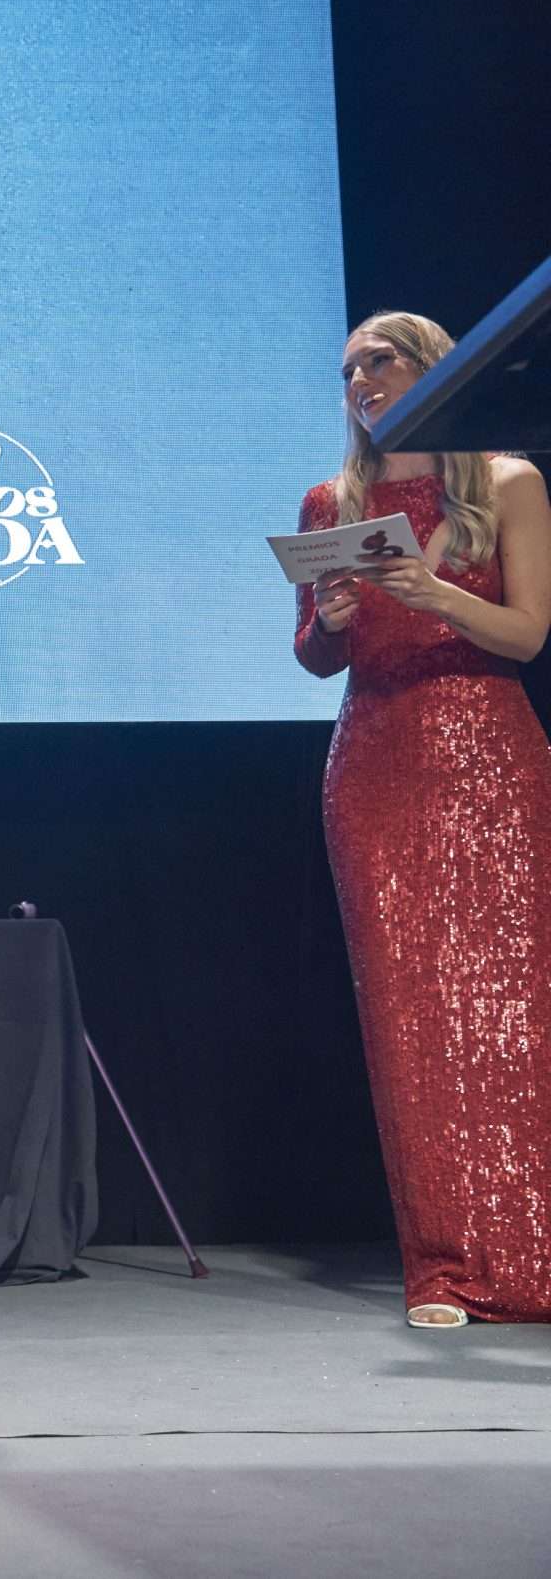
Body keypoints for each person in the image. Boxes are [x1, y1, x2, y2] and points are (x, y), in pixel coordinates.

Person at [293, 312, 551, 1327]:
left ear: (434, 367)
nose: (359, 377)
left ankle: (530, 1248)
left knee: (514, 1013)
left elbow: (526, 636)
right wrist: (333, 623)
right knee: (409, 1025)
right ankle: (442, 1268)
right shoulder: (332, 502)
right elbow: (314, 658)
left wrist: (432, 592)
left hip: (490, 761)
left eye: (379, 359)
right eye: (348, 366)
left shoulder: (508, 482)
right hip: (375, 767)